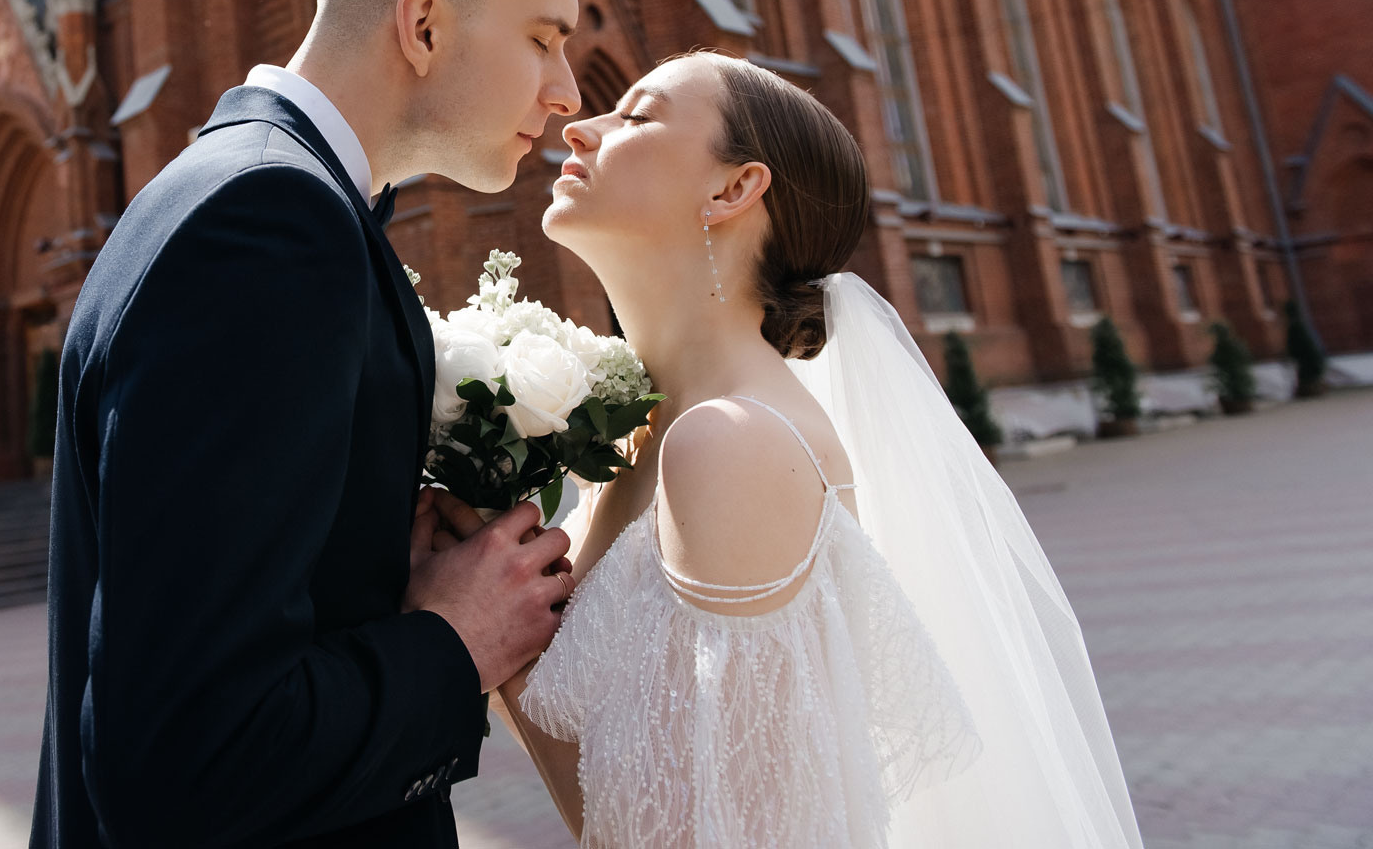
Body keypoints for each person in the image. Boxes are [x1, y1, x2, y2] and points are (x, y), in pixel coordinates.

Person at [35, 0, 610, 848]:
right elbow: (177, 754)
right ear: (422, 26)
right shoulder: (264, 227)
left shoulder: (260, 197)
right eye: (540, 37)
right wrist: (451, 641)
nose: (567, 92)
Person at [472, 52, 1143, 848]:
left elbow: (695, 833)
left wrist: (492, 649)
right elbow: (611, 767)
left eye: (638, 116)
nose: (579, 127)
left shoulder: (732, 444)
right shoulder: (631, 434)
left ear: (732, 189)